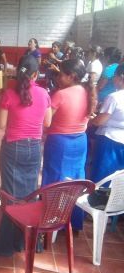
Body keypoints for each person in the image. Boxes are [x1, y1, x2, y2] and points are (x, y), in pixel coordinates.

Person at [0, 56, 52, 257]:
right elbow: (47, 123)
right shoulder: (44, 94)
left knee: (11, 194)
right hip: (35, 147)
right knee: (30, 193)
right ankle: (28, 241)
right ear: (36, 74)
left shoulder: (9, 93)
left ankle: (5, 245)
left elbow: (1, 125)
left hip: (13, 147)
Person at [42, 59, 96, 231]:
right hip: (80, 141)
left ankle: (52, 219)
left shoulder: (61, 94)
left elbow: (46, 122)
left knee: (55, 180)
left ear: (71, 76)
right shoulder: (88, 91)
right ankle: (72, 221)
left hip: (60, 142)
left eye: (61, 74)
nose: (58, 77)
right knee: (75, 181)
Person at [91, 64, 124, 183]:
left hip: (110, 141)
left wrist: (91, 119)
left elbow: (100, 121)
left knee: (103, 176)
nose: (113, 79)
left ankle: (98, 200)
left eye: (114, 76)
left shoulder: (114, 97)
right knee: (119, 177)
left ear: (121, 78)